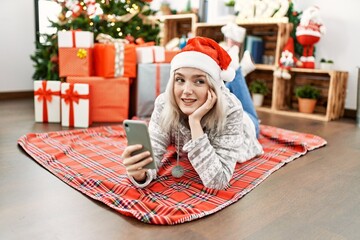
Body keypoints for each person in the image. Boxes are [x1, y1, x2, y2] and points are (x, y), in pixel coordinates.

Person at [121, 37, 263, 190]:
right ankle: (232, 67)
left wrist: (195, 123)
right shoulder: (164, 103)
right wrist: (139, 173)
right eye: (180, 80)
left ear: (213, 88)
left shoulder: (232, 109)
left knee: (250, 114)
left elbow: (218, 181)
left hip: (247, 126)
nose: (186, 91)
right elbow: (152, 156)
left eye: (199, 81)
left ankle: (237, 69)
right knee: (215, 88)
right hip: (211, 96)